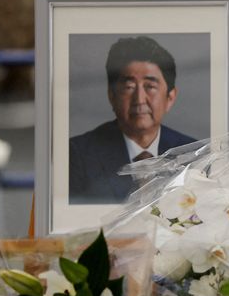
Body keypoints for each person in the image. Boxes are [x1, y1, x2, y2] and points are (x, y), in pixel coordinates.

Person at [69, 36, 196, 204]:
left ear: (170, 98)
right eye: (129, 87)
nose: (139, 99)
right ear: (111, 95)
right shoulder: (78, 155)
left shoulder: (192, 155)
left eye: (150, 87)